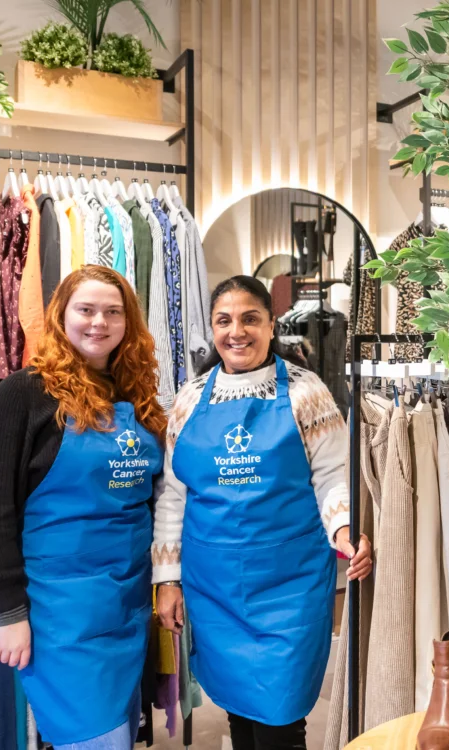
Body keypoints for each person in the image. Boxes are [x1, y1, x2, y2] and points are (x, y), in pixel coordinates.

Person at [153, 275, 372, 750]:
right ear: (211, 329)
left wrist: (345, 528)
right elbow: (173, 495)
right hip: (214, 589)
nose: (238, 331)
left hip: (287, 588)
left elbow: (333, 476)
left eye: (251, 319)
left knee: (281, 716)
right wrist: (167, 579)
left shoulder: (306, 392)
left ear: (272, 325)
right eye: (224, 321)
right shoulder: (189, 400)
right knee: (239, 711)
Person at [0, 266, 166, 749]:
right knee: (95, 738)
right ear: (60, 316)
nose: (99, 322)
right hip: (60, 616)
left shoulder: (136, 396)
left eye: (113, 312)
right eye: (85, 310)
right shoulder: (20, 398)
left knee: (121, 732)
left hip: (126, 605)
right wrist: (7, 613)